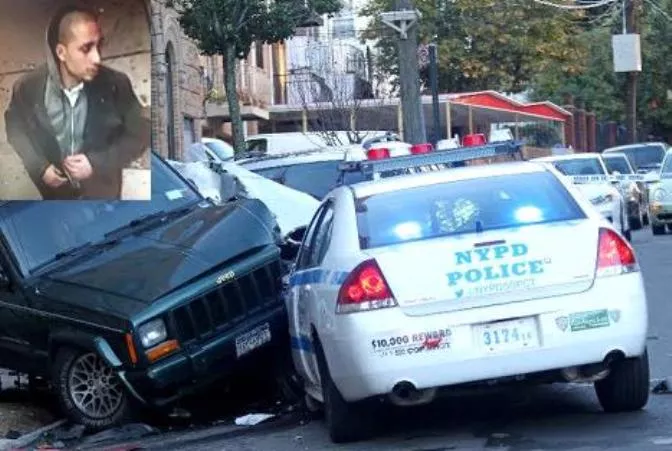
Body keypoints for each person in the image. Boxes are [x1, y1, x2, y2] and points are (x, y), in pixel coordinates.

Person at [4, 4, 150, 200]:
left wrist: (96, 163)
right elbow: (15, 128)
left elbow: (140, 133)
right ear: (61, 52)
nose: (97, 58)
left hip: (103, 197)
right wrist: (40, 167)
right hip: (56, 199)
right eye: (86, 48)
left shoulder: (116, 85)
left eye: (99, 46)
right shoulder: (28, 87)